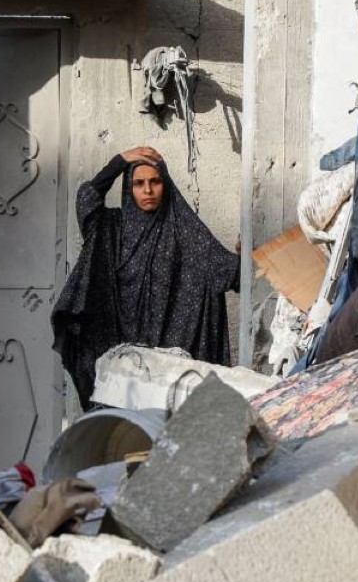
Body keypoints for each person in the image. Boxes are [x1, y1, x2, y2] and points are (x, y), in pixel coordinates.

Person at [51, 146, 240, 409]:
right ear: (129, 188)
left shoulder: (184, 232)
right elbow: (87, 199)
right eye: (139, 183)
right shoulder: (112, 229)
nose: (148, 190)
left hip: (168, 366)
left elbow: (227, 273)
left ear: (166, 184)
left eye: (155, 182)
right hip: (118, 357)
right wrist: (119, 162)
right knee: (120, 428)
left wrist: (244, 254)